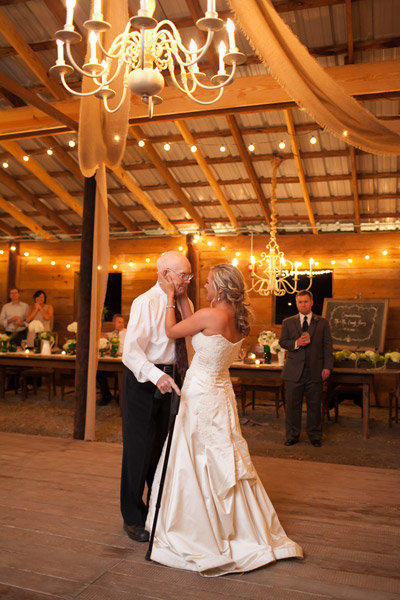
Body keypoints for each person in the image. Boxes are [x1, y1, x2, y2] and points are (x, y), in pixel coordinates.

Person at [145, 264, 303, 576]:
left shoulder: (210, 315)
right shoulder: (239, 320)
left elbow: (171, 331)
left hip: (202, 394)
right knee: (222, 456)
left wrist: (167, 297)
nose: (202, 288)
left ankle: (199, 527)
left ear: (219, 289)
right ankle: (239, 524)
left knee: (197, 457)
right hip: (220, 393)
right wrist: (182, 299)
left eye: (205, 284)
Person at [121, 250, 192, 543]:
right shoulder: (145, 302)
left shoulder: (183, 302)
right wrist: (156, 376)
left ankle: (157, 511)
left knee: (163, 450)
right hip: (144, 380)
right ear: (164, 275)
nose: (187, 281)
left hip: (171, 378)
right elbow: (130, 352)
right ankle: (133, 517)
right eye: (182, 275)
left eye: (189, 275)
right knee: (138, 449)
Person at [279, 289, 333, 448]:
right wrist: (296, 344)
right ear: (296, 304)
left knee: (315, 405)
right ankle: (292, 436)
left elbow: (328, 346)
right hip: (294, 372)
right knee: (292, 407)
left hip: (315, 371)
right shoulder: (287, 322)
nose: (303, 304)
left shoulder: (322, 322)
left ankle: (315, 436)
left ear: (312, 303)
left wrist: (328, 367)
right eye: (300, 302)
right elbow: (283, 342)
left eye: (305, 301)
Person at [97, 314, 127, 406]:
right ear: (113, 323)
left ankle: (120, 396)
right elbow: (102, 335)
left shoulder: (128, 333)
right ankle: (106, 395)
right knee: (99, 372)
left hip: (124, 362)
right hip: (113, 361)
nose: (121, 324)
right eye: (119, 322)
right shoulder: (111, 334)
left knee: (122, 374)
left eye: (122, 322)